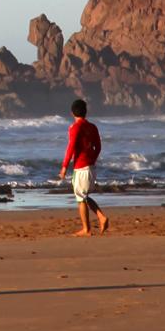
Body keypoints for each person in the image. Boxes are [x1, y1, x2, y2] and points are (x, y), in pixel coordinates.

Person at [58, 98, 108, 237]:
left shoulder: (75, 127)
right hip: (91, 167)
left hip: (81, 167)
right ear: (85, 112)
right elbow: (98, 147)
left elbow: (71, 147)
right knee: (84, 197)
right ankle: (100, 218)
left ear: (72, 113)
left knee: (80, 198)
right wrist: (93, 159)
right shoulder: (92, 127)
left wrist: (64, 167)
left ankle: (87, 228)